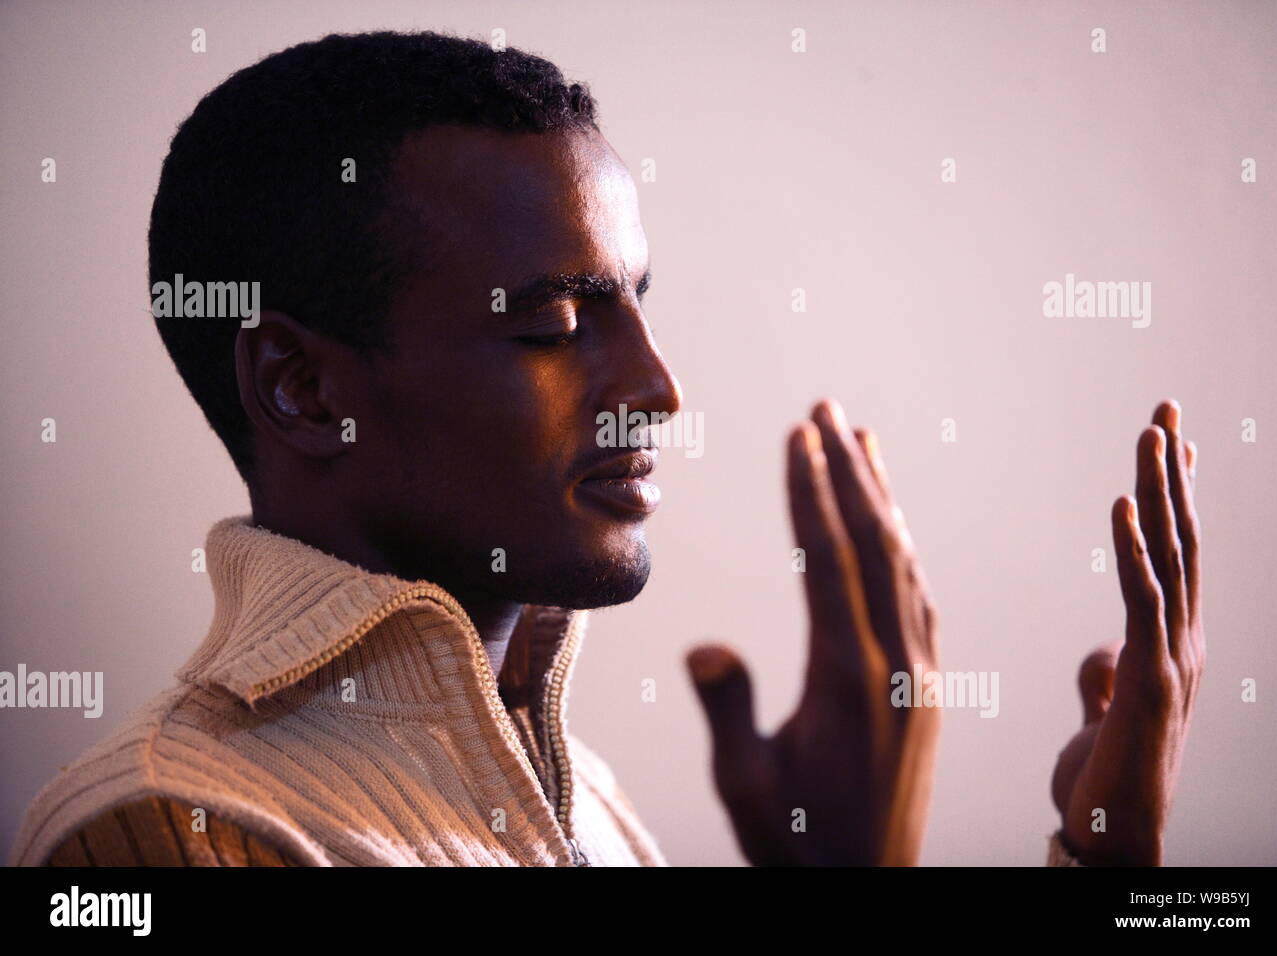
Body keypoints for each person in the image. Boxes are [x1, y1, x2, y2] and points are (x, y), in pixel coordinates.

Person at [9, 31, 1203, 867]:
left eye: (638, 303)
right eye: (555, 325)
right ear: (306, 388)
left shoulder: (586, 801)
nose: (659, 388)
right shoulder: (174, 832)